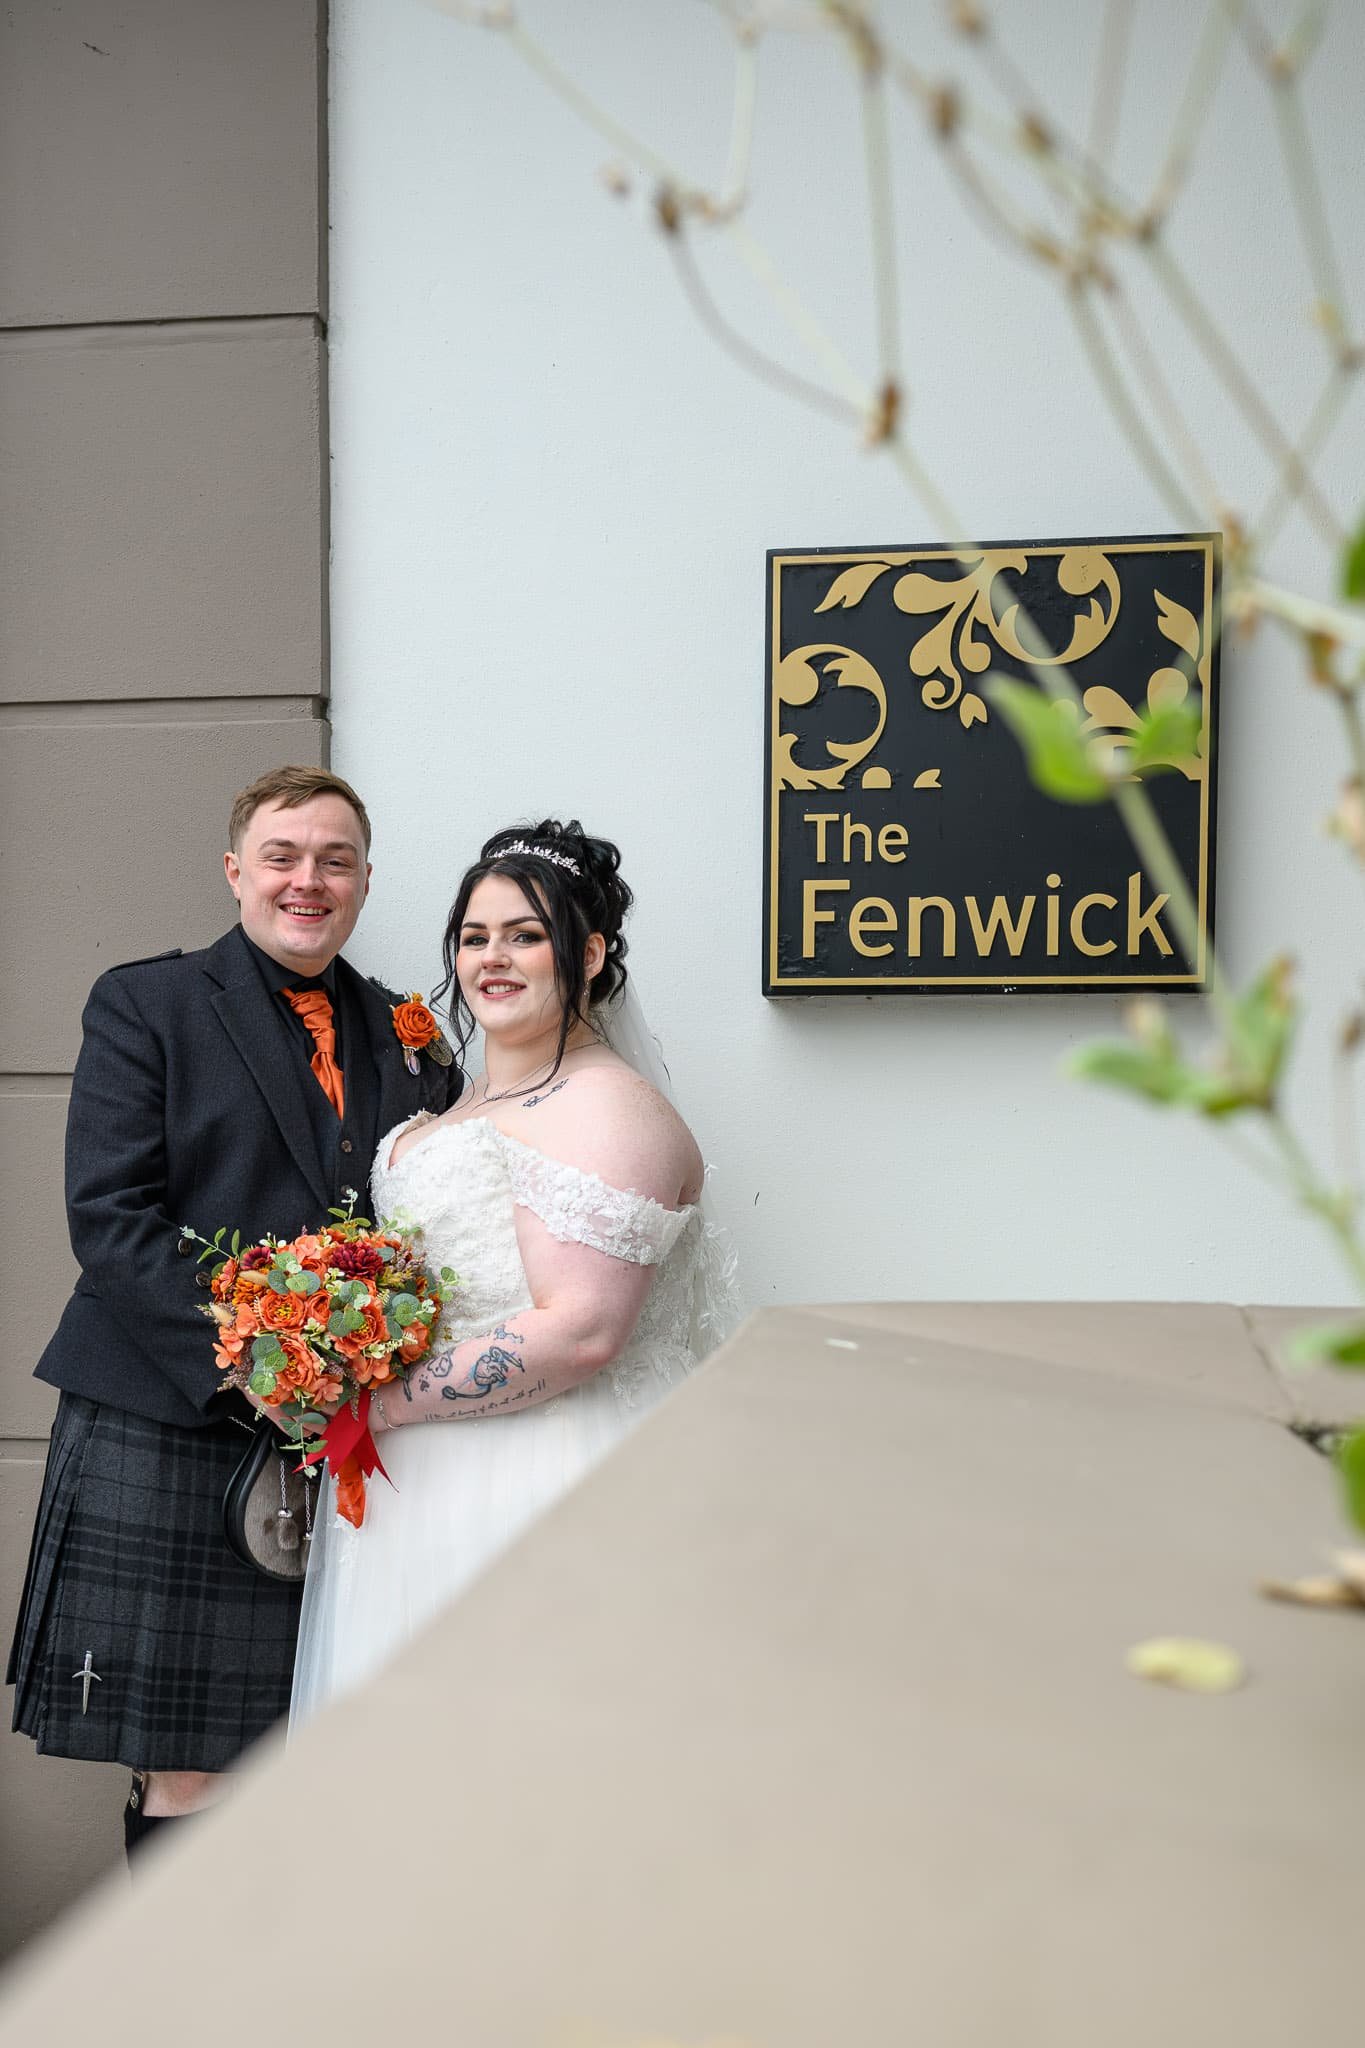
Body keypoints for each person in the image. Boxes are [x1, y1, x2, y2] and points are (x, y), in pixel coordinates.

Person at [7, 766, 462, 1857]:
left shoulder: (412, 1036)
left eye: (336, 859)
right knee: (192, 1762)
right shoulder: (145, 1003)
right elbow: (111, 1218)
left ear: (363, 880)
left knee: (303, 1745)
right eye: (283, 855)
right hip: (170, 1417)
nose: (309, 879)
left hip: (346, 1444)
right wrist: (262, 1367)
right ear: (236, 871)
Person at [291, 819, 726, 1719]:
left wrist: (371, 1404)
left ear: (590, 952)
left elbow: (581, 1332)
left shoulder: (604, 1106)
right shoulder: (458, 1106)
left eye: (525, 935)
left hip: (542, 1479)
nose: (493, 958)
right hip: (418, 1493)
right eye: (474, 936)